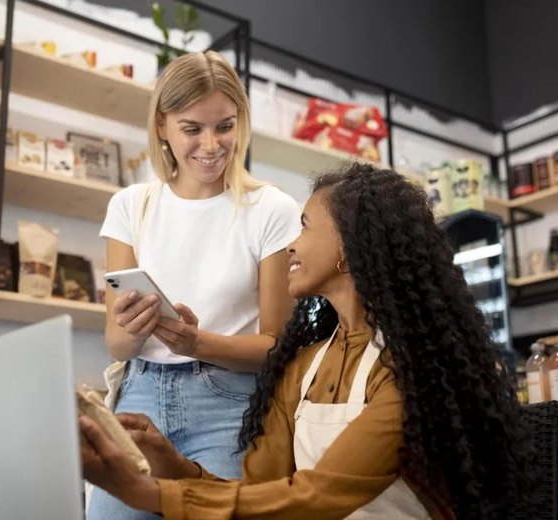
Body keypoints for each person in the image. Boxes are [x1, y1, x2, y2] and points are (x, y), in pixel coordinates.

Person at [81, 163, 533, 519]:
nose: (290, 246)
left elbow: (318, 497)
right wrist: (168, 461)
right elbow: (260, 497)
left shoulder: (408, 370)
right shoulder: (304, 365)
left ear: (348, 247)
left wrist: (146, 491)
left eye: (304, 226)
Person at [89, 50, 301, 519]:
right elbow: (117, 346)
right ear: (162, 125)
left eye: (224, 126)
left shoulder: (271, 209)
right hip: (139, 397)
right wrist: (136, 328)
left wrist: (196, 342)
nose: (211, 144)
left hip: (229, 405)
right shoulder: (131, 206)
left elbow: (277, 348)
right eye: (192, 128)